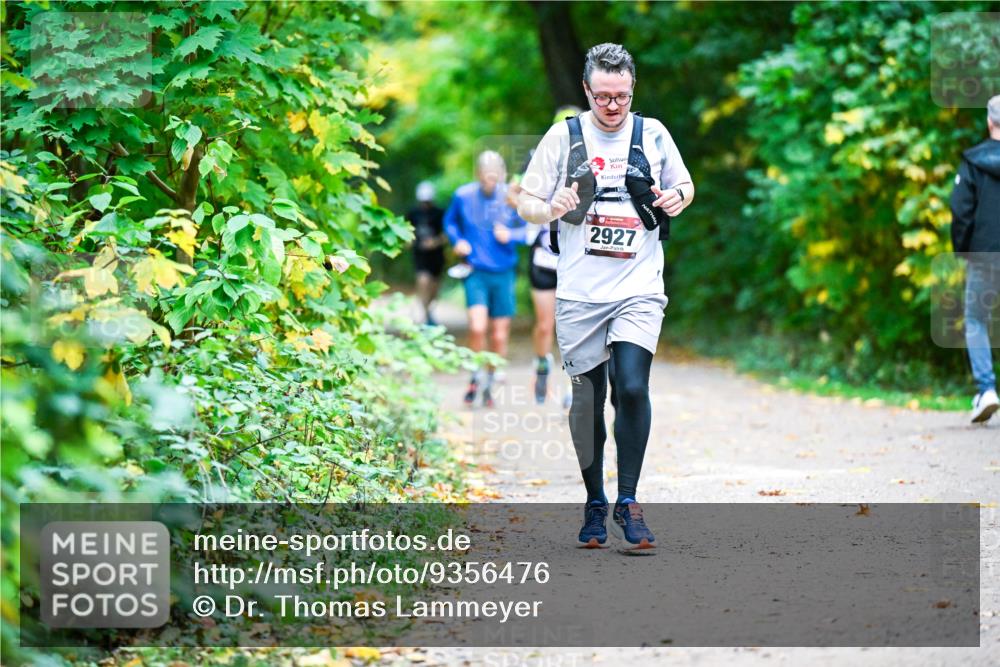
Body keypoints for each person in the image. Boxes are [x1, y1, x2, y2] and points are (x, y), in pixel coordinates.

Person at [517, 43, 694, 549]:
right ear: (586, 91)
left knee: (632, 388)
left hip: (638, 287)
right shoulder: (564, 136)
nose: (612, 107)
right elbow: (526, 202)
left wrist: (674, 199)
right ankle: (595, 500)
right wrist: (552, 205)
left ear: (632, 89)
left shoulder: (652, 133)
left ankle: (629, 501)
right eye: (603, 98)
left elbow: (685, 187)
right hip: (579, 293)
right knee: (588, 399)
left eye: (621, 97)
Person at [445, 151, 528, 408]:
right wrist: (458, 241)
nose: (491, 182)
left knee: (500, 335)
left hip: (503, 272)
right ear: (478, 174)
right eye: (486, 177)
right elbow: (450, 223)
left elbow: (530, 231)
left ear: (502, 174)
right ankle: (475, 374)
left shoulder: (511, 198)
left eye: (496, 176)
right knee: (477, 326)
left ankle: (491, 381)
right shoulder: (463, 196)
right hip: (476, 271)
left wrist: (511, 235)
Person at [513, 106, 582, 406]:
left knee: (576, 325)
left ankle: (574, 383)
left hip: (577, 255)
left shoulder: (593, 159)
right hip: (543, 255)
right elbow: (514, 192)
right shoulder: (537, 158)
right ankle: (542, 365)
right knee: (545, 324)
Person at [950, 94, 1000, 424]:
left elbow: (961, 212)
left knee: (976, 320)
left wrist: (962, 250)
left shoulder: (972, 162)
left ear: (989, 121)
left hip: (984, 256)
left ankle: (987, 390)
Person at [407, 181, 447, 326]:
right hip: (420, 256)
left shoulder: (440, 213)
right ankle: (426, 316)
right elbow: (407, 232)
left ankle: (428, 311)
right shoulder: (413, 213)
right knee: (423, 282)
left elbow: (447, 234)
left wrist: (435, 242)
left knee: (434, 289)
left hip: (436, 257)